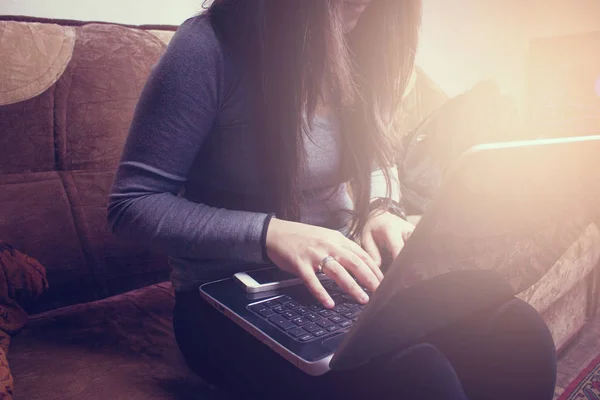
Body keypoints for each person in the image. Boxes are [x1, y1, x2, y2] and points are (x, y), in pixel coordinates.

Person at [107, 0, 557, 398]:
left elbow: (378, 158)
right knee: (418, 378)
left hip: (342, 279)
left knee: (517, 335)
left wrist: (382, 209)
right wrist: (270, 233)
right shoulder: (206, 48)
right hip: (227, 298)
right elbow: (132, 205)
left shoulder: (365, 41)